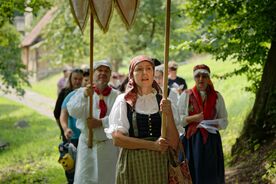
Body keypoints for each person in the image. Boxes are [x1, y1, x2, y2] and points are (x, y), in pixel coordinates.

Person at [105, 55, 179, 184]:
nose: (144, 73)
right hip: (134, 164)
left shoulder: (164, 101)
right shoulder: (123, 101)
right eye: (139, 69)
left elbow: (174, 143)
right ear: (132, 74)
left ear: (153, 72)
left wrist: (169, 113)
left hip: (160, 164)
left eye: (148, 68)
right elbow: (117, 139)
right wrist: (153, 145)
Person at [67, 60, 118, 184]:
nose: (103, 73)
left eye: (106, 71)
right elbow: (73, 111)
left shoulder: (116, 96)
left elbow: (120, 119)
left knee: (107, 178)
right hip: (87, 144)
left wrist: (101, 123)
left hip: (108, 145)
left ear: (110, 75)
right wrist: (84, 96)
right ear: (93, 74)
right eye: (99, 70)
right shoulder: (83, 92)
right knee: (85, 178)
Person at [178, 64, 228, 184]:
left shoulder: (217, 96)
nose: (201, 79)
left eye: (204, 76)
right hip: (192, 140)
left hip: (211, 139)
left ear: (208, 78)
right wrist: (194, 118)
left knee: (211, 171)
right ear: (194, 78)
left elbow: (224, 120)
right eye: (198, 76)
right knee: (193, 171)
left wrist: (216, 124)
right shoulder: (186, 95)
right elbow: (179, 120)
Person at [53, 69, 84, 142]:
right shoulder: (64, 93)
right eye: (75, 79)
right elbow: (57, 113)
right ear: (70, 79)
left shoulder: (86, 93)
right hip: (70, 134)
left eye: (80, 79)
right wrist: (63, 129)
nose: (77, 81)